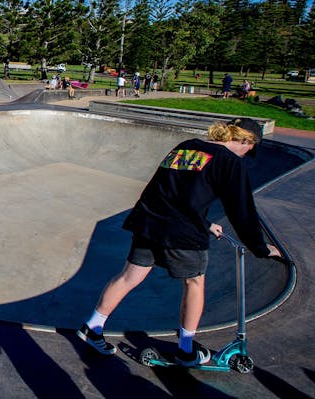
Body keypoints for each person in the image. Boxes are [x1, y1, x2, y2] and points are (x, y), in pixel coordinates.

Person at [76, 118, 282, 367]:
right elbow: (242, 211)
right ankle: (186, 351)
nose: (247, 154)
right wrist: (260, 247)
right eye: (249, 149)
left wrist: (205, 224)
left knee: (129, 277)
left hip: (149, 222)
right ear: (245, 140)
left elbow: (171, 190)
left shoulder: (186, 147)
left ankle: (93, 326)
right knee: (194, 282)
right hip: (181, 232)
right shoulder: (229, 162)